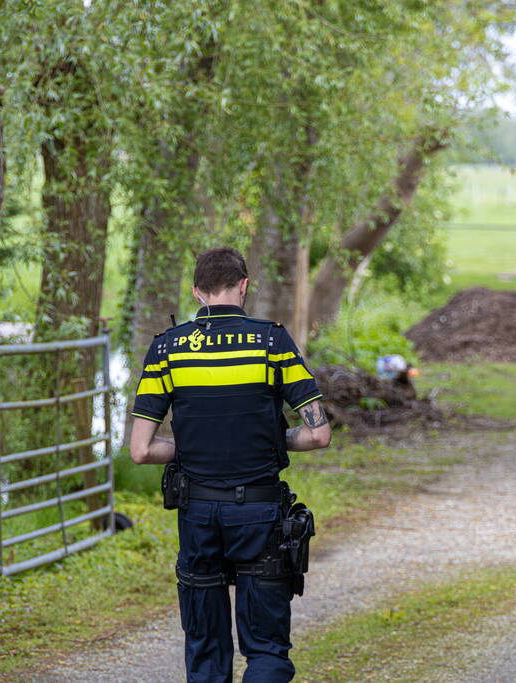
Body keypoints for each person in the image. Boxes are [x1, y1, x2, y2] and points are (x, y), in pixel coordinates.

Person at [129, 246, 331, 683]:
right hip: (260, 514)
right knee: (267, 651)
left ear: (197, 292)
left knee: (205, 654)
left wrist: (197, 446)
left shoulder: (167, 349)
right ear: (244, 286)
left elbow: (141, 450)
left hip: (198, 515)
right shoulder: (271, 341)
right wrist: (266, 439)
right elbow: (318, 434)